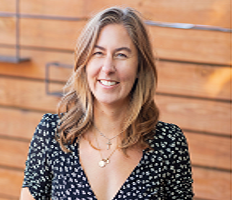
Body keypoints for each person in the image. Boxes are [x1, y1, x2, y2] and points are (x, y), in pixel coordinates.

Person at [20, 6, 194, 200]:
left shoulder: (169, 142)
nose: (108, 68)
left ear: (139, 67)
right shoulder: (53, 133)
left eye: (121, 55)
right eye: (98, 53)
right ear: (84, 63)